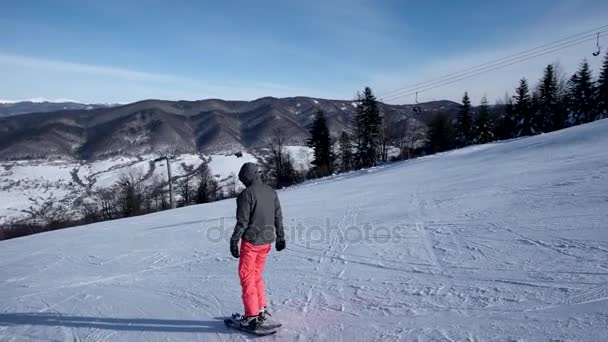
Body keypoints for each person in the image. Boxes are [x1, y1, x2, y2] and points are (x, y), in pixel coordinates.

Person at [230, 162, 286, 330]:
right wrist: (281, 237)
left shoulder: (246, 194)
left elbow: (242, 221)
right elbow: (278, 216)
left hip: (252, 243)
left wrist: (234, 241)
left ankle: (251, 317)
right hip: (267, 242)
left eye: (243, 179)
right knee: (256, 276)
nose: (243, 182)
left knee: (247, 277)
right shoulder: (271, 191)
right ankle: (260, 310)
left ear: (247, 177)